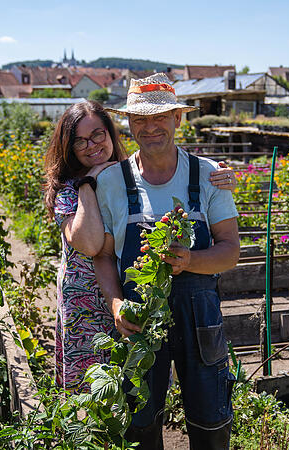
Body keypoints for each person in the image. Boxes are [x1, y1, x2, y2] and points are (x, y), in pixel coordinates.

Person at [42, 100, 237, 394]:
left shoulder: (122, 177)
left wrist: (223, 177)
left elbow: (228, 245)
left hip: (131, 300)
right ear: (68, 147)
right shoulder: (70, 190)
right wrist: (88, 182)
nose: (91, 145)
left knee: (135, 390)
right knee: (95, 393)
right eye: (79, 140)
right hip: (88, 304)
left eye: (97, 134)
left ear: (111, 133)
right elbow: (93, 246)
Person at [93, 74, 240, 449]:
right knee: (140, 422)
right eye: (139, 118)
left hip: (199, 316)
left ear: (178, 119)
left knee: (210, 421)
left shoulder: (208, 175)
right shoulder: (113, 180)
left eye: (159, 116)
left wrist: (189, 259)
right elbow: (106, 257)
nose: (149, 127)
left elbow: (230, 251)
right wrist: (114, 304)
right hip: (139, 319)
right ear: (128, 123)